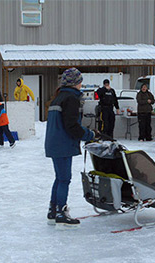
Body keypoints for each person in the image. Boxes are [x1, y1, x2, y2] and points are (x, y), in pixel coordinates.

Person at [45, 67, 96, 228]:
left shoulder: (58, 98)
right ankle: (61, 212)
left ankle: (53, 210)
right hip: (63, 144)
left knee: (59, 178)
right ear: (75, 83)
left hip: (54, 143)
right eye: (80, 81)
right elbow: (72, 126)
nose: (81, 84)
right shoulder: (71, 99)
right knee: (64, 179)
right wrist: (90, 135)